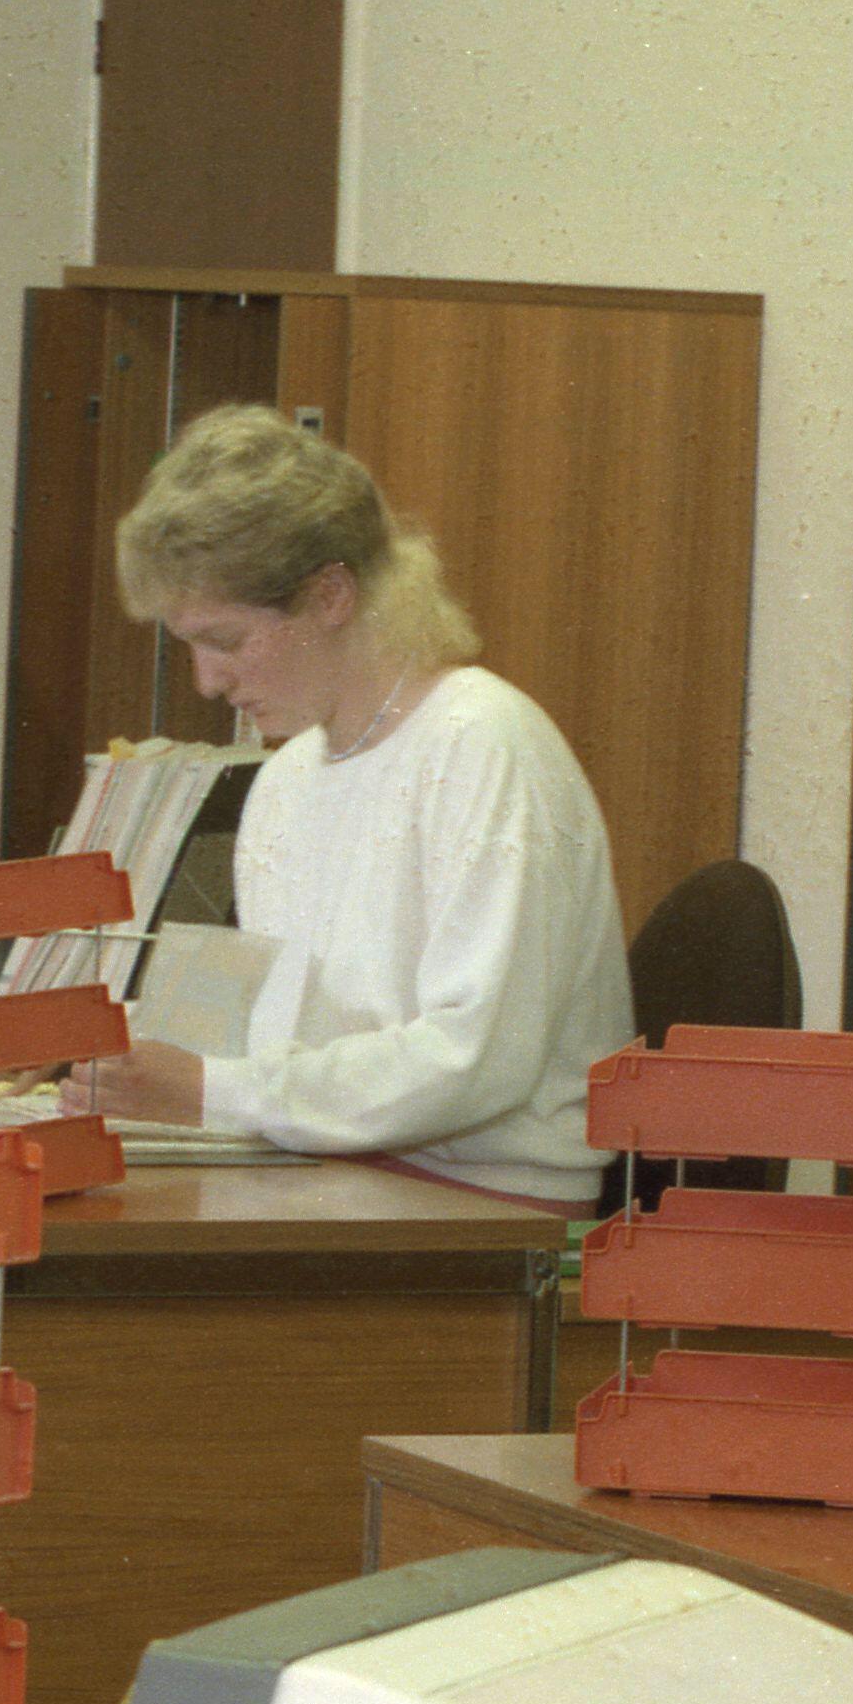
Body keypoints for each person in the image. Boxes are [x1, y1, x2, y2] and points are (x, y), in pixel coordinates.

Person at [59, 406, 630, 1211]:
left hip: (487, 1203)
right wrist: (109, 1060)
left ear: (330, 594)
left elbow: (471, 1060)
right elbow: (280, 1041)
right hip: (330, 1171)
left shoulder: (482, 744)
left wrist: (206, 1090)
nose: (206, 682)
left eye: (224, 639)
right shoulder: (290, 775)